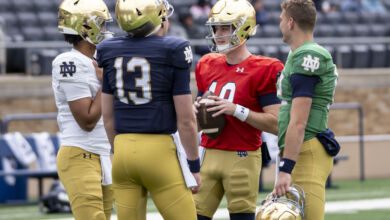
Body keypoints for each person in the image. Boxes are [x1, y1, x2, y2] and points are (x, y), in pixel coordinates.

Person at [96, 0, 201, 219]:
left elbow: (107, 117)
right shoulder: (174, 48)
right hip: (159, 151)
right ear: (157, 20)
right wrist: (194, 165)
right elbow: (186, 120)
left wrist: (121, 150)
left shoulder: (107, 49)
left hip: (122, 151)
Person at [193, 0, 284, 219]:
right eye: (216, 28)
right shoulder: (206, 63)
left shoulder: (264, 68)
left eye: (225, 27)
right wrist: (196, 110)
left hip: (242, 157)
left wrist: (236, 110)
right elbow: (196, 121)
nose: (218, 33)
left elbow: (276, 123)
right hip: (207, 154)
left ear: (243, 28)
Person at [273, 0, 338, 219]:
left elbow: (299, 121)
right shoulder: (297, 53)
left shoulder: (307, 56)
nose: (279, 23)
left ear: (291, 22)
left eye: (282, 19)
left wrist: (285, 168)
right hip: (299, 151)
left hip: (306, 150)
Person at [51, 0, 114, 219]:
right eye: (101, 24)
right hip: (80, 152)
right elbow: (87, 120)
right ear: (86, 26)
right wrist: (109, 78)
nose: (105, 30)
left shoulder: (98, 61)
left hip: (103, 153)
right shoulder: (69, 61)